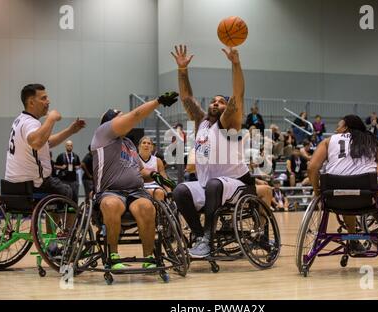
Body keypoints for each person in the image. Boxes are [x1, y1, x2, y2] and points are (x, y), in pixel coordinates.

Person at [171, 44, 270, 258]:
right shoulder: (201, 123)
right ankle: (199, 236)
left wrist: (235, 64)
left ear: (227, 108)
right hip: (210, 186)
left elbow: (238, 94)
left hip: (239, 185)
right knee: (180, 190)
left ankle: (208, 238)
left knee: (215, 185)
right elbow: (187, 98)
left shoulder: (228, 122)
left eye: (221, 102)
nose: (216, 103)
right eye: (214, 101)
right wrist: (182, 71)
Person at [91, 92, 178, 270]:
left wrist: (155, 176)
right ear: (110, 123)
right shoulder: (102, 135)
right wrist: (158, 102)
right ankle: (113, 256)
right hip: (110, 191)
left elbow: (140, 170)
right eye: (121, 117)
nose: (126, 119)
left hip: (135, 192)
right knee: (111, 205)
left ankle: (149, 257)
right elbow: (135, 116)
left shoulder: (129, 144)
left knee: (147, 207)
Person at [308, 115, 378, 255]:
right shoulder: (370, 140)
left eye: (338, 126)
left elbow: (312, 167)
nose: (336, 129)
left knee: (346, 193)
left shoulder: (328, 141)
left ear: (346, 127)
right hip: (366, 196)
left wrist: (317, 192)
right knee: (375, 193)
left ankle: (352, 239)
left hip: (335, 196)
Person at [5, 84, 85, 198]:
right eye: (43, 98)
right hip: (34, 183)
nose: (48, 101)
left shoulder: (20, 120)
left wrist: (70, 130)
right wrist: (51, 118)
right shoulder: (31, 123)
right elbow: (37, 143)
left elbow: (46, 142)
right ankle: (62, 216)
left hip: (12, 183)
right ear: (31, 103)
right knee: (68, 191)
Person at [138, 136, 173, 201]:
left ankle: (158, 210)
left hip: (155, 185)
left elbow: (163, 177)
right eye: (144, 143)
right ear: (139, 146)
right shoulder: (135, 159)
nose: (146, 145)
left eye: (149, 143)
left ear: (152, 147)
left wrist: (169, 191)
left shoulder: (158, 160)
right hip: (139, 186)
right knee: (148, 192)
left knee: (160, 193)